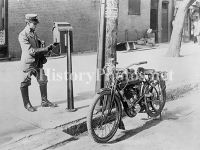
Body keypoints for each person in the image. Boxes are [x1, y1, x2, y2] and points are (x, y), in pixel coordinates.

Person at [18, 14, 58, 112]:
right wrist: (45, 48)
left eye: (36, 23)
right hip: (29, 63)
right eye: (34, 23)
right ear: (28, 23)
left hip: (38, 62)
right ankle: (27, 104)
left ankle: (44, 101)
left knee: (43, 80)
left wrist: (46, 47)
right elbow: (30, 51)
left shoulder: (34, 33)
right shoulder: (23, 34)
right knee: (25, 82)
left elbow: (37, 46)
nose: (36, 25)